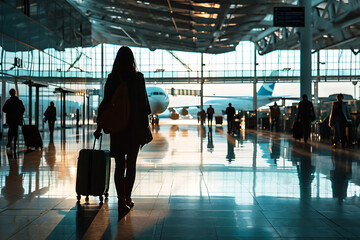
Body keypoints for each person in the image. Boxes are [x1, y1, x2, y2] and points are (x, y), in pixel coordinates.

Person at [94, 46, 151, 211]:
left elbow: (105, 104)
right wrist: (145, 126)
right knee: (131, 164)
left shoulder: (112, 78)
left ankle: (120, 199)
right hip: (134, 128)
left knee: (119, 165)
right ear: (132, 60)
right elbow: (144, 106)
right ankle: (128, 197)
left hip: (118, 129)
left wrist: (99, 126)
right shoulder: (138, 78)